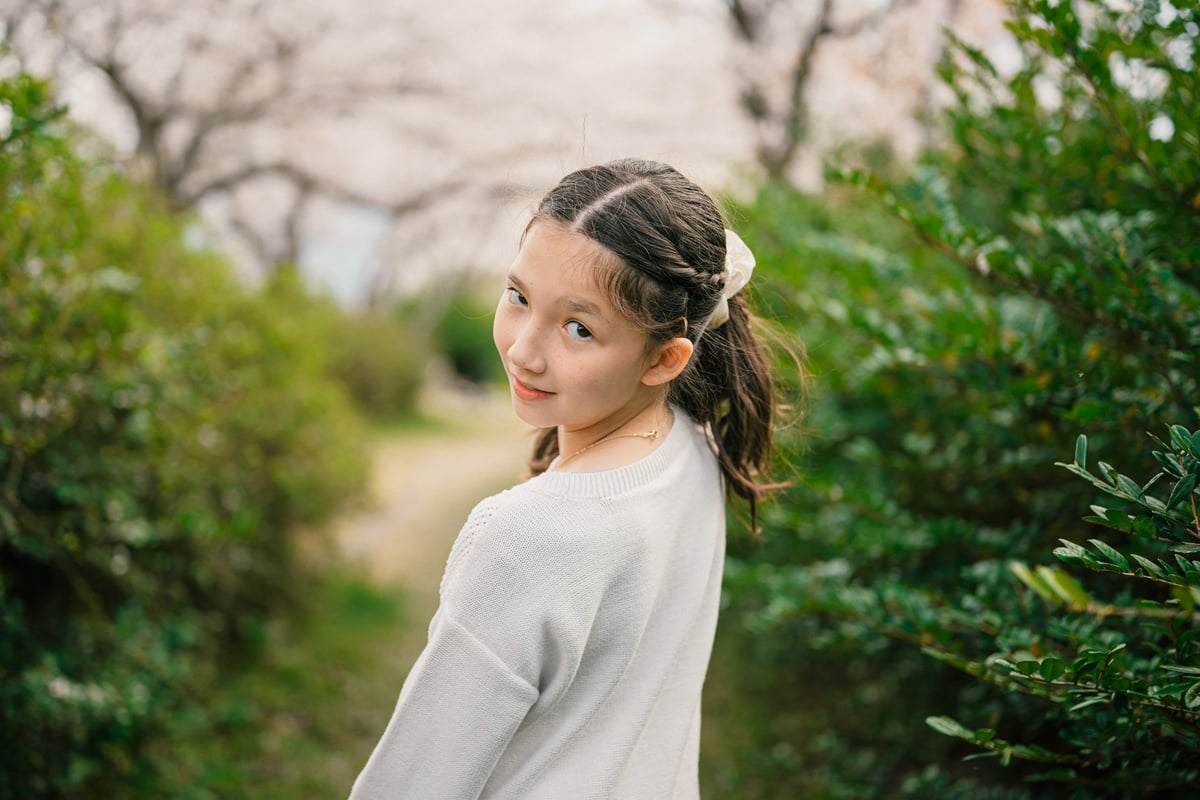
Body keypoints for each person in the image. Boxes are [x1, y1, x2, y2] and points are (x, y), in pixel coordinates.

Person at [349, 158, 788, 799]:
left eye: (577, 328)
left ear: (665, 358)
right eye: (519, 296)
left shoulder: (525, 536)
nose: (525, 349)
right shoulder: (692, 452)